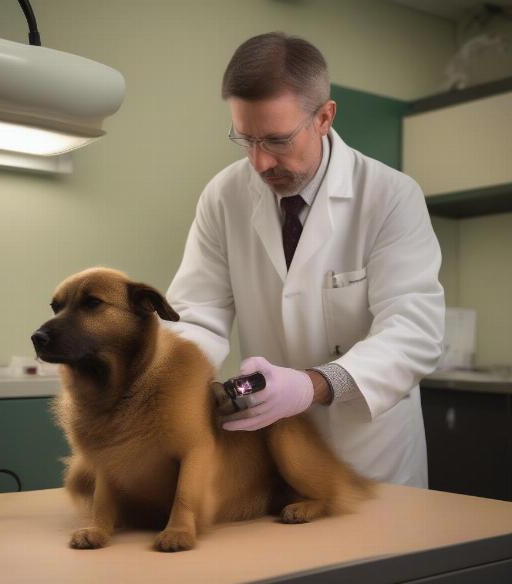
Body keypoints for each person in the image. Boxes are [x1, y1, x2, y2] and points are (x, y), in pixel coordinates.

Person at [165, 32, 444, 487]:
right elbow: (198, 315)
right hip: (279, 449)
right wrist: (167, 382)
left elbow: (414, 332)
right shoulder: (224, 196)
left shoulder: (391, 196)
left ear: (324, 117)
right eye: (245, 139)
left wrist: (313, 385)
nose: (258, 162)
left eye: (276, 140)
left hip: (370, 453)